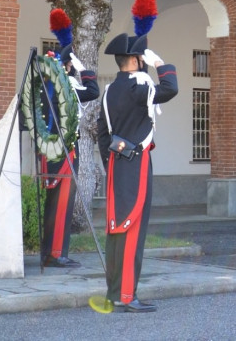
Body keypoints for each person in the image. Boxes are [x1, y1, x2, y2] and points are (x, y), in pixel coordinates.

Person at [97, 30, 178, 312]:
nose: (144, 61)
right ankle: (127, 296)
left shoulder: (109, 91)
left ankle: (113, 292)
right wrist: (161, 65)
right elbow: (170, 89)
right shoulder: (136, 89)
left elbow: (102, 136)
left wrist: (112, 166)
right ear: (133, 60)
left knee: (116, 232)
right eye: (142, 57)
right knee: (132, 230)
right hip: (136, 165)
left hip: (117, 165)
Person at [40, 8, 99, 268]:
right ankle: (55, 253)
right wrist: (81, 66)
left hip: (52, 152)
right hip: (64, 152)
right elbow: (93, 90)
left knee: (55, 204)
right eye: (69, 65)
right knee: (62, 203)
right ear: (66, 66)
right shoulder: (66, 85)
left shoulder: (46, 85)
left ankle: (52, 251)